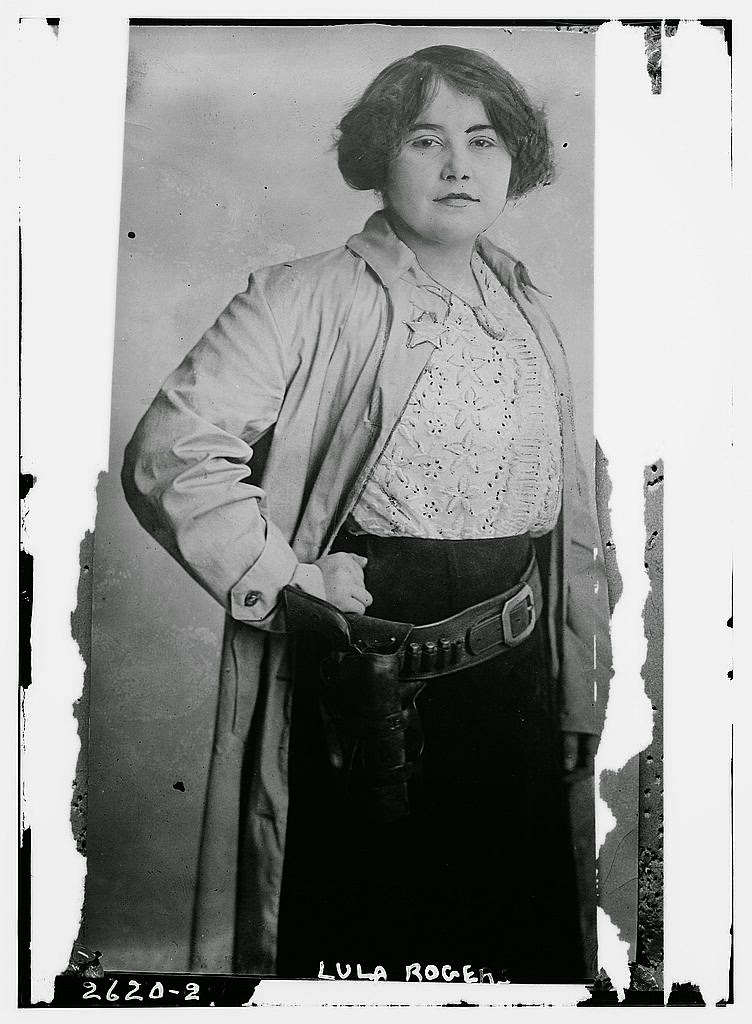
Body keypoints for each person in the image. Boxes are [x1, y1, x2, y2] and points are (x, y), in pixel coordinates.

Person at [122, 44, 612, 983]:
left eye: (484, 139)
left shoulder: (529, 312)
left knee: (515, 960)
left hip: (513, 689)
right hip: (357, 691)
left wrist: (577, 691)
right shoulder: (297, 296)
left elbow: (574, 525)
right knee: (358, 952)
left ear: (515, 159)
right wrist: (291, 579)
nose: (459, 165)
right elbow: (170, 454)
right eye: (427, 139)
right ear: (380, 154)